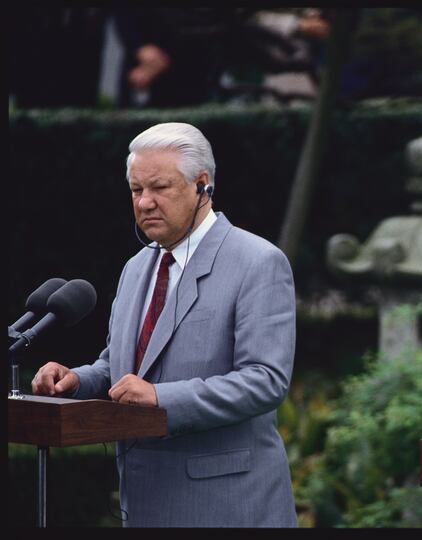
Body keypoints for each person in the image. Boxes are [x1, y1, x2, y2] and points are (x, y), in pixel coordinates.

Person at [31, 122, 298, 527]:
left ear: (202, 186)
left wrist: (161, 397)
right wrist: (77, 381)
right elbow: (120, 367)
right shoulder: (136, 267)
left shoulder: (259, 262)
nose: (145, 202)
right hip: (143, 505)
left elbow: (265, 380)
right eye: (136, 190)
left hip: (227, 508)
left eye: (159, 187)